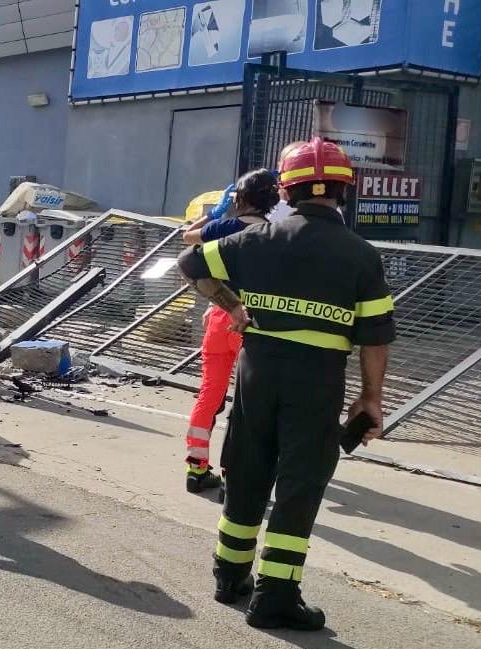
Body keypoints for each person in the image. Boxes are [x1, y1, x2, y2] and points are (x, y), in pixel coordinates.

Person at [177, 137, 395, 630]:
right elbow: (376, 336)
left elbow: (188, 264)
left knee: (247, 467)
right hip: (316, 381)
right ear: (343, 189)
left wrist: (233, 306)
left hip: (257, 371)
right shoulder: (361, 255)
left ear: (285, 191)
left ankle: (230, 576)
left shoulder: (255, 240)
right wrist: (371, 397)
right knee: (300, 482)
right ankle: (275, 595)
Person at [180, 169, 278, 495]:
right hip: (255, 324)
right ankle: (232, 476)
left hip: (220, 317)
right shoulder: (275, 233)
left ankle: (196, 469)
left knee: (210, 394)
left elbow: (187, 238)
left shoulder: (226, 227)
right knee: (246, 403)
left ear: (239, 198)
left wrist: (215, 213)